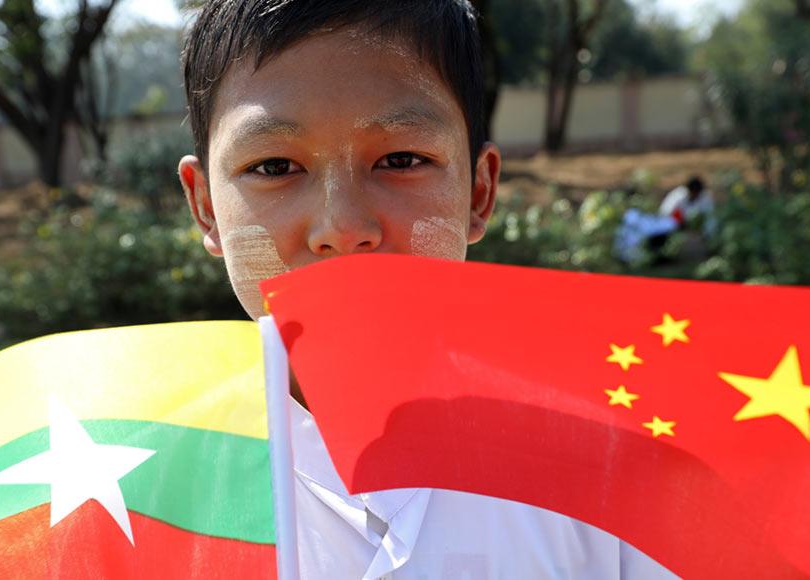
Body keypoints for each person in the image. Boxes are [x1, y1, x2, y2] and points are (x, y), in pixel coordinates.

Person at [177, 1, 677, 578]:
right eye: (273, 167)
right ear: (207, 207)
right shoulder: (134, 476)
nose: (342, 227)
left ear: (478, 192)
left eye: (401, 159)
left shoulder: (607, 460)